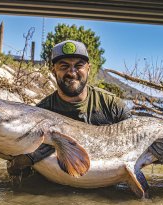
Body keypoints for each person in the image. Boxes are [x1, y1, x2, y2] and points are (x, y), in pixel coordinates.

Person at [7, 40, 131, 179]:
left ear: (88, 69)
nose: (72, 72)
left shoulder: (112, 105)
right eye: (64, 66)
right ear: (53, 70)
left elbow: (136, 140)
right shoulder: (41, 112)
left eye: (78, 65)